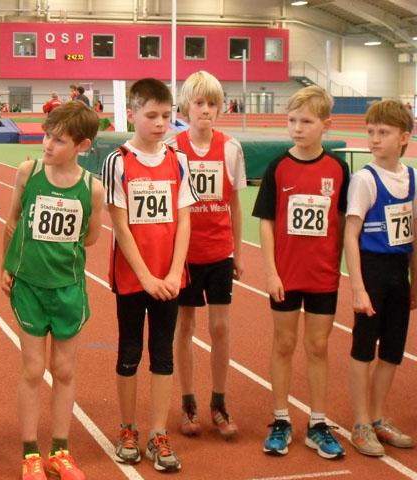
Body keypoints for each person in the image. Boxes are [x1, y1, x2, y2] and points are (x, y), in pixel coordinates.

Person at [1, 101, 104, 480]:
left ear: (82, 145)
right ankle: (30, 453)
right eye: (47, 135)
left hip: (68, 290)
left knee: (64, 369)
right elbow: (12, 220)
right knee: (33, 369)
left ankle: (60, 451)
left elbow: (90, 238)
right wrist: (7, 265)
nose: (47, 144)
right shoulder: (28, 172)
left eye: (59, 140)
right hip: (29, 286)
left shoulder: (92, 189)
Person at [101, 78, 198, 472]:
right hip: (132, 278)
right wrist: (145, 277)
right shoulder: (118, 161)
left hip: (170, 279)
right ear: (132, 114)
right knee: (129, 353)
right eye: (151, 115)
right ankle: (128, 429)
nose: (160, 123)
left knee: (162, 355)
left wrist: (173, 273)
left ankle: (158, 432)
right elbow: (120, 226)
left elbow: (184, 220)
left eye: (166, 116)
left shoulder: (178, 160)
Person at [252, 85, 349, 459]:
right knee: (284, 343)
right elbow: (266, 221)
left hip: (323, 275)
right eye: (292, 120)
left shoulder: (338, 169)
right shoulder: (278, 167)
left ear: (326, 124)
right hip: (286, 275)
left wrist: (339, 265)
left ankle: (318, 424)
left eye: (306, 122)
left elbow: (342, 219)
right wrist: (271, 273)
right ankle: (280, 419)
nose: (297, 128)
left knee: (319, 347)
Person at [166, 70, 246, 439]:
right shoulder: (173, 147)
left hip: (219, 252)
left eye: (212, 103)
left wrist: (238, 253)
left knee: (221, 328)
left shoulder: (231, 148)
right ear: (186, 107)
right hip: (184, 254)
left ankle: (219, 402)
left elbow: (234, 204)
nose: (206, 110)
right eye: (199, 103)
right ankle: (188, 403)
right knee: (184, 327)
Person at [344, 100, 416, 457]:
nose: (374, 138)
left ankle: (377, 417)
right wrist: (357, 288)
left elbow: (413, 234)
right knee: (364, 348)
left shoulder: (412, 177)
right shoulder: (364, 179)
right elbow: (350, 235)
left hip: (399, 273)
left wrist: (415, 282)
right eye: (370, 131)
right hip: (371, 270)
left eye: (383, 132)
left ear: (404, 137)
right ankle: (360, 422)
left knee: (392, 350)